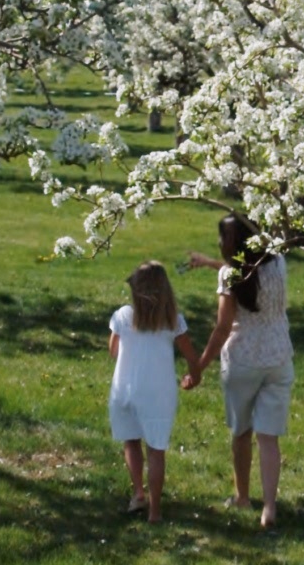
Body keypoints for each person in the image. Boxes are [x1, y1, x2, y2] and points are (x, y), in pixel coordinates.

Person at [187, 214, 293, 531]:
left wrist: (199, 366)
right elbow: (244, 271)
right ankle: (270, 507)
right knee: (269, 438)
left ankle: (243, 496)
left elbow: (222, 329)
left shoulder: (232, 276)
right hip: (279, 357)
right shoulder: (278, 263)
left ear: (231, 245)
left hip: (244, 361)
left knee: (242, 434)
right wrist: (209, 264)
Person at [108, 261, 203, 524]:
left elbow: (113, 351)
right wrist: (194, 375)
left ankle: (138, 492)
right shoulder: (173, 321)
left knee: (131, 441)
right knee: (156, 450)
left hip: (124, 388)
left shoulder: (123, 317)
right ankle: (155, 511)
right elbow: (191, 356)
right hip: (158, 392)